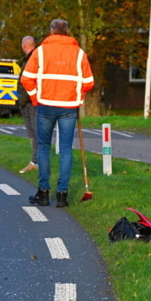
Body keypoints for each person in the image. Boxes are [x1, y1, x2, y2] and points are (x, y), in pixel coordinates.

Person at [21, 19, 95, 208]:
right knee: (66, 149)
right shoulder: (79, 54)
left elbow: (26, 79)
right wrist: (78, 97)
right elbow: (88, 82)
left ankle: (44, 193)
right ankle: (62, 195)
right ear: (68, 31)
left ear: (51, 31)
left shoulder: (40, 52)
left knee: (44, 147)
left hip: (45, 105)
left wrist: (35, 97)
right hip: (69, 107)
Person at [17, 36, 38, 173]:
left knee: (35, 132)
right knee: (33, 132)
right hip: (30, 100)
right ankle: (34, 161)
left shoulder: (32, 59)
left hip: (31, 102)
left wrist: (23, 100)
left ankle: (35, 162)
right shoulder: (34, 57)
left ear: (24, 45)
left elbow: (28, 82)